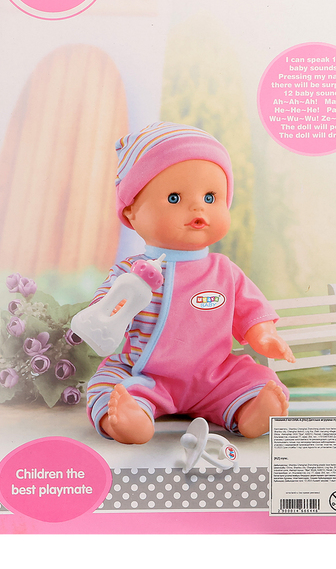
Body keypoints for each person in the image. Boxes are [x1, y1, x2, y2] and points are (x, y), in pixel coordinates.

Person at [86, 122, 295, 444]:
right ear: (131, 213)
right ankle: (129, 420)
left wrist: (263, 335)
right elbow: (103, 311)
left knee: (256, 376)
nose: (198, 207)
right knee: (106, 385)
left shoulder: (224, 271)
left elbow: (251, 310)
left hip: (215, 375)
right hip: (145, 374)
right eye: (174, 198)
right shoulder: (130, 271)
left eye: (211, 197)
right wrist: (113, 309)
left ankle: (251, 409)